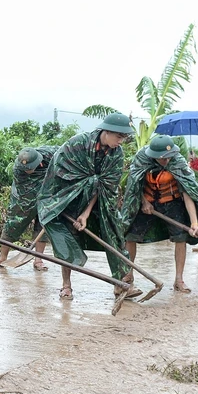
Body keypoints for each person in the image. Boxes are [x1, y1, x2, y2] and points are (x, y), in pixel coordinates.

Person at [37, 113, 135, 300]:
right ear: (106, 131)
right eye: (119, 137)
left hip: (97, 199)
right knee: (67, 241)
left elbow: (105, 184)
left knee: (114, 234)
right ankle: (66, 286)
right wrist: (66, 204)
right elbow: (58, 172)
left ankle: (121, 283)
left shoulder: (116, 153)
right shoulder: (78, 143)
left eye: (124, 138)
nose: (121, 142)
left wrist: (86, 213)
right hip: (66, 198)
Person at [120, 135, 198, 293]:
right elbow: (134, 184)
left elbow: (189, 193)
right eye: (161, 159)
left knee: (181, 237)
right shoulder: (142, 158)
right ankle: (128, 276)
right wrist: (144, 202)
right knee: (130, 236)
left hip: (172, 202)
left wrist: (194, 223)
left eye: (168, 158)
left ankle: (179, 280)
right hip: (146, 201)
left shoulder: (178, 161)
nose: (165, 161)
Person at [0, 146, 56, 271]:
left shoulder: (51, 154)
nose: (27, 170)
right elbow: (24, 192)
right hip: (24, 194)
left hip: (48, 191)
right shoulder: (19, 170)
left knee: (43, 222)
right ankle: (2, 257)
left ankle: (38, 259)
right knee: (14, 221)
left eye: (29, 168)